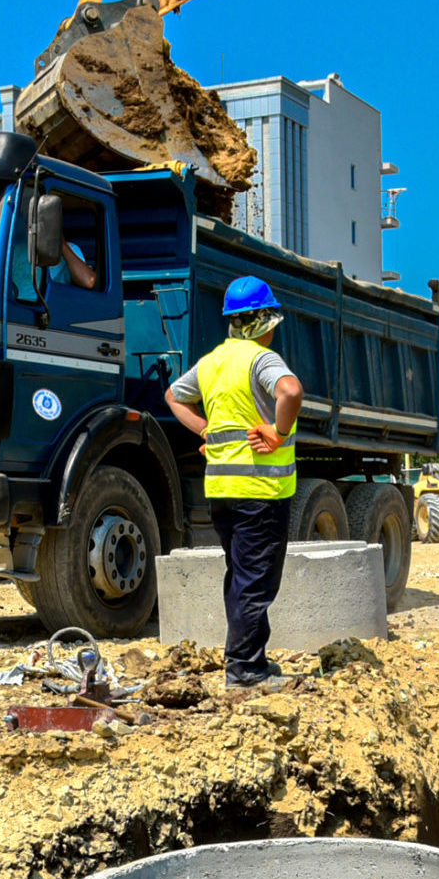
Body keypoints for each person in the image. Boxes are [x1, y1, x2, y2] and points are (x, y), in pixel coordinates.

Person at [164, 275, 305, 686]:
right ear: (264, 321)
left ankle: (251, 658)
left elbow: (174, 396)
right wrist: (278, 432)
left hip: (222, 492)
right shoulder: (260, 359)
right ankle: (244, 669)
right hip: (260, 492)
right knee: (256, 581)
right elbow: (291, 392)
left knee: (242, 576)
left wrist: (206, 431)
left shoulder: (213, 362)